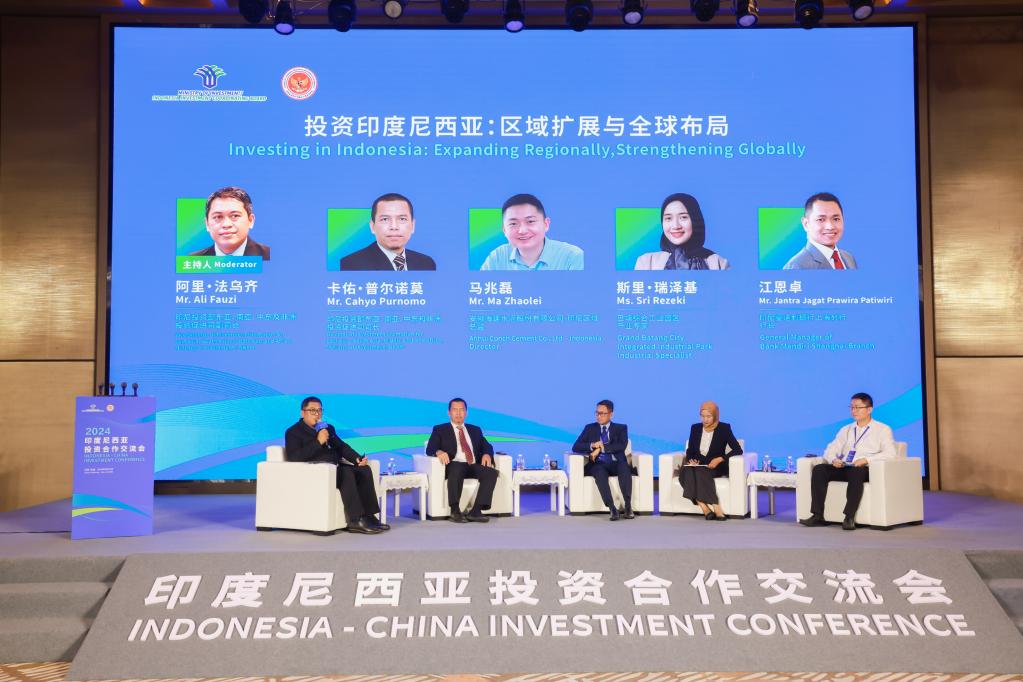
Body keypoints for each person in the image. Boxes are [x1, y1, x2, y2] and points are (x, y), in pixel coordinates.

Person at [284, 396, 388, 534]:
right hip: (316, 472)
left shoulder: (328, 428)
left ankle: (369, 515)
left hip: (335, 468)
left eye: (319, 410)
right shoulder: (293, 432)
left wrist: (357, 458)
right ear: (303, 413)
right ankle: (355, 520)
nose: (317, 414)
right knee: (346, 473)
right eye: (313, 410)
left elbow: (341, 446)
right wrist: (318, 441)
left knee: (364, 469)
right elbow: (294, 457)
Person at [800, 392, 896, 530]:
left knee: (856, 472)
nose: (854, 411)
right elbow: (831, 449)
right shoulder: (846, 429)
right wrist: (834, 459)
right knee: (819, 469)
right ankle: (817, 516)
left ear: (869, 409)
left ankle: (849, 517)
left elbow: (890, 453)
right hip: (846, 466)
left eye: (858, 407)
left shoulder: (882, 429)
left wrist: (866, 460)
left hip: (866, 469)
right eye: (852, 407)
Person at [425, 398, 499, 523]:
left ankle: (476, 511)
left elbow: (487, 445)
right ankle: (455, 511)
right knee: (457, 467)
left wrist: (487, 454)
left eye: (461, 410)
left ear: (466, 413)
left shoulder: (475, 430)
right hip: (453, 464)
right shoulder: (440, 429)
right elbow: (430, 448)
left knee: (491, 473)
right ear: (449, 412)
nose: (458, 413)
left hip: (471, 465)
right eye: (455, 410)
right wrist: (439, 452)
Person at [480, 194, 584, 271]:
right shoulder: (498, 257)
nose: (522, 231)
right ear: (504, 230)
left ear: (546, 224)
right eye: (513, 223)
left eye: (530, 221)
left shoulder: (572, 256)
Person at [679, 401, 743, 521]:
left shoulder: (724, 428)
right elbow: (690, 450)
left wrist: (720, 459)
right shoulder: (695, 428)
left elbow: (737, 449)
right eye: (702, 416)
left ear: (715, 415)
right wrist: (691, 461)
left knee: (698, 472)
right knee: (685, 472)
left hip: (714, 466)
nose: (705, 420)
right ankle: (705, 507)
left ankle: (714, 505)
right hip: (697, 465)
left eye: (708, 416)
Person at [339, 193, 436, 271]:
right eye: (385, 219)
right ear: (372, 226)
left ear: (413, 226)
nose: (394, 227)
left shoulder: (427, 264)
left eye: (402, 219)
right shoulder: (350, 265)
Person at [572, 400, 633, 520]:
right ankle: (612, 508)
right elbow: (576, 446)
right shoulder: (589, 428)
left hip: (616, 462)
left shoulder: (621, 428)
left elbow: (621, 445)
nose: (599, 416)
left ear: (611, 414)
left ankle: (628, 506)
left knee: (624, 467)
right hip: (598, 463)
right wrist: (593, 445)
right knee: (599, 472)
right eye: (597, 413)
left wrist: (601, 448)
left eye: (602, 413)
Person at [633, 193, 729, 270]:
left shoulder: (718, 263)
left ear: (695, 220)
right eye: (668, 218)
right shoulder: (646, 262)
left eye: (683, 217)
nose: (676, 226)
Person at [190, 186, 271, 260]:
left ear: (250, 221)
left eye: (235, 216)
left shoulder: (269, 256)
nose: (226, 225)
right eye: (218, 217)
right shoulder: (193, 260)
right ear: (207, 224)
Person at [783, 192, 858, 270]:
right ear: (806, 224)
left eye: (836, 219)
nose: (830, 227)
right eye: (821, 219)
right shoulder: (797, 266)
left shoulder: (848, 258)